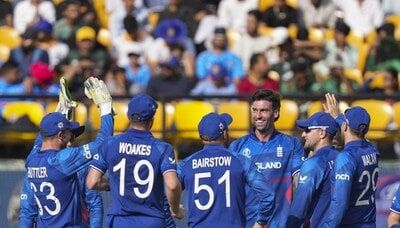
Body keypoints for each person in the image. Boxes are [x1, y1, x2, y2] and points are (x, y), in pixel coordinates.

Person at [20, 77, 114, 227]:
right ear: (61, 136)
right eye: (69, 132)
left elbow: (41, 140)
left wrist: (61, 110)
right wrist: (105, 106)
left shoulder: (32, 158)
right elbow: (103, 142)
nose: (72, 136)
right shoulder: (63, 160)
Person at [86, 93, 183, 227]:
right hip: (152, 221)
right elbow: (172, 185)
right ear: (152, 120)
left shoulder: (110, 144)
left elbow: (91, 182)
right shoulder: (162, 149)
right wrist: (176, 210)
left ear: (128, 116)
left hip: (120, 221)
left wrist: (112, 184)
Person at [178, 112, 275, 228]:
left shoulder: (185, 164)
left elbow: (167, 189)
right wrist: (260, 222)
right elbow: (268, 195)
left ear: (201, 136)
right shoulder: (241, 161)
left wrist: (174, 212)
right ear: (224, 134)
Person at [229, 89, 305, 227]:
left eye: (263, 110)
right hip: (249, 224)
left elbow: (298, 183)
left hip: (282, 224)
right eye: (254, 110)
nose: (258, 116)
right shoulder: (237, 147)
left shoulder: (292, 144)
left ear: (275, 113)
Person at [322, 93, 379, 227]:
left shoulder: (345, 157)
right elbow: (355, 131)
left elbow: (340, 203)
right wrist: (337, 116)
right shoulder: (373, 149)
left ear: (346, 126)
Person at [287, 112, 339, 227]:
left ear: (322, 133)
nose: (303, 135)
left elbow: (299, 207)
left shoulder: (314, 163)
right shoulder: (342, 158)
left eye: (307, 130)